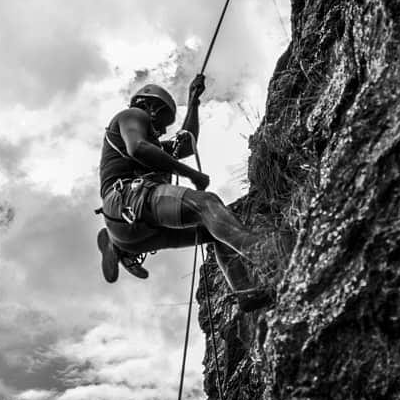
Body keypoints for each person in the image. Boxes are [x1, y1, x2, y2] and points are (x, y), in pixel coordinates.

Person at [96, 75, 272, 312]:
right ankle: (269, 255)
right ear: (149, 106)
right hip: (129, 198)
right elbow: (137, 148)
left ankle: (246, 293)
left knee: (214, 230)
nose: (160, 130)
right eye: (160, 123)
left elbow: (186, 144)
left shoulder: (154, 145)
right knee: (207, 204)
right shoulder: (132, 116)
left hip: (132, 226)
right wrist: (190, 174)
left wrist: (193, 102)